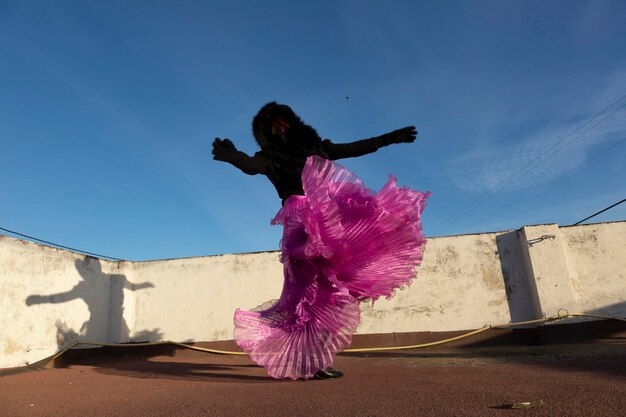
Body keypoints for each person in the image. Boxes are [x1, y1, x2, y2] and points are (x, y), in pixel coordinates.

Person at [212, 102, 429, 380]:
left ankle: (315, 359)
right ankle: (310, 360)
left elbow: (352, 148)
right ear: (267, 132)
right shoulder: (271, 157)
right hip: (300, 230)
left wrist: (388, 138)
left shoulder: (317, 149)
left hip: (327, 226)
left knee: (330, 293)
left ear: (291, 123)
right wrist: (234, 156)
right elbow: (251, 165)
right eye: (273, 125)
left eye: (283, 122)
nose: (280, 128)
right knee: (306, 297)